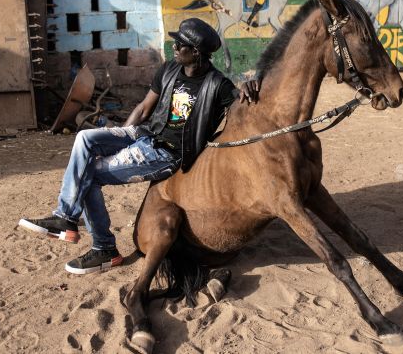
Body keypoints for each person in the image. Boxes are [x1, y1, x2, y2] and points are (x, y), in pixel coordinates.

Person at [18, 18, 260, 274]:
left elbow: (243, 106)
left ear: (196, 52)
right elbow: (144, 108)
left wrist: (250, 84)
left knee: (90, 175)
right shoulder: (168, 70)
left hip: (167, 153)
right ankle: (65, 217)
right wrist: (121, 135)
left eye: (180, 44)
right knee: (85, 138)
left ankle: (104, 249)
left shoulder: (217, 84)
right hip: (143, 133)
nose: (174, 47)